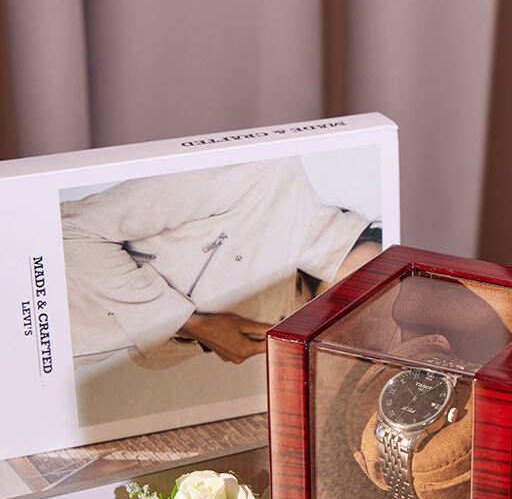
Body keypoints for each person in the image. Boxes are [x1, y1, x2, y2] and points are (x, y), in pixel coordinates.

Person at [61, 157, 381, 368]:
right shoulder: (267, 175)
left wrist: (200, 337)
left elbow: (146, 359)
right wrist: (193, 324)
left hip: (58, 361)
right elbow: (71, 229)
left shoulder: (286, 316)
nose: (365, 310)